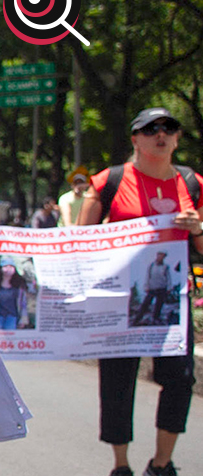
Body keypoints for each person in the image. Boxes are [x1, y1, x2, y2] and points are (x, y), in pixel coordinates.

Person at [77, 107, 198, 476]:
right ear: (135, 139)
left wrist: (197, 228)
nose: (160, 134)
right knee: (118, 379)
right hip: (121, 300)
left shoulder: (193, 184)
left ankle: (162, 464)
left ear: (177, 138)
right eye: (150, 129)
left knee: (180, 377)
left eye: (168, 128)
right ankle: (121, 465)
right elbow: (80, 241)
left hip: (171, 302)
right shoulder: (110, 181)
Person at [0, 257, 28, 330]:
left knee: (10, 339)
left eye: (11, 266)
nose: (8, 269)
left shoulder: (19, 286)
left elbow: (23, 304)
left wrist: (23, 320)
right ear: (1, 268)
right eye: (5, 266)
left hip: (12, 317)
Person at [132, 251, 173, 326]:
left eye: (163, 256)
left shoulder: (165, 266)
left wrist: (169, 288)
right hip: (152, 288)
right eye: (160, 255)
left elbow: (168, 278)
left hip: (161, 288)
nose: (160, 257)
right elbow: (147, 277)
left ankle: (155, 320)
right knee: (145, 304)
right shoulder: (151, 265)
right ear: (157, 255)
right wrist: (146, 286)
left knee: (159, 306)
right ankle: (137, 320)